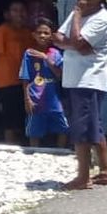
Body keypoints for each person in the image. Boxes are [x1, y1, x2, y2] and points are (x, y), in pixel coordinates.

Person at [54, 0, 107, 190]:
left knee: (82, 129)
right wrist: (73, 42)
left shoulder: (102, 19)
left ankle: (83, 176)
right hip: (75, 77)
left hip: (88, 79)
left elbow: (79, 43)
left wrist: (77, 22)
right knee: (93, 126)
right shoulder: (76, 13)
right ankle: (106, 171)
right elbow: (58, 37)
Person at [0, 0, 32, 144]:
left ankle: (20, 144)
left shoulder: (28, 33)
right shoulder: (2, 31)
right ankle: (9, 146)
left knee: (21, 114)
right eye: (15, 10)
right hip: (4, 80)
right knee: (9, 115)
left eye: (22, 10)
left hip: (23, 81)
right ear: (7, 14)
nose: (19, 14)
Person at [20, 18, 69, 148]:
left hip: (54, 99)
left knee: (62, 126)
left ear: (51, 36)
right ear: (34, 35)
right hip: (35, 98)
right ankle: (34, 152)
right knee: (34, 129)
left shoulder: (56, 53)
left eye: (46, 33)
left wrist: (46, 58)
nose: (42, 35)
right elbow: (25, 77)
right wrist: (27, 99)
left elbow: (60, 74)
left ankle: (60, 151)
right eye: (39, 32)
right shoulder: (29, 53)